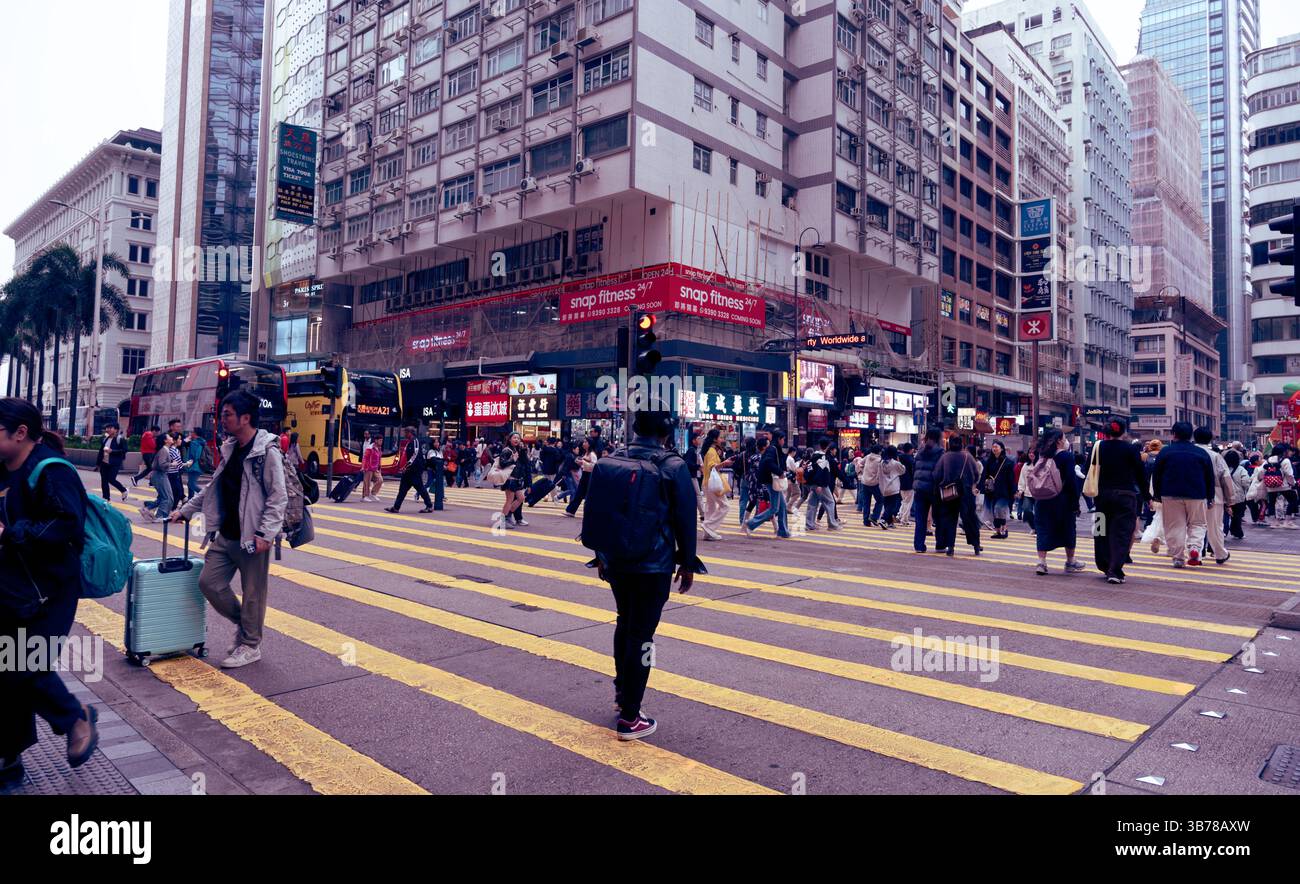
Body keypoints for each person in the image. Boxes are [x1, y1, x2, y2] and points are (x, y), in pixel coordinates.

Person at [587, 406, 704, 740]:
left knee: (625, 623)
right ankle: (630, 717)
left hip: (616, 561)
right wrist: (688, 562)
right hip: (654, 565)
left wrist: (600, 554)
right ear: (666, 432)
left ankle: (623, 694)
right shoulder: (672, 465)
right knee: (642, 635)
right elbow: (686, 519)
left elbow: (599, 510)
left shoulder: (613, 459)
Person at [0, 398, 101, 784]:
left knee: (24, 665)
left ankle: (75, 718)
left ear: (20, 433)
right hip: (10, 588)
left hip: (49, 590)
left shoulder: (51, 471)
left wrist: (11, 534)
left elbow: (65, 526)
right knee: (7, 672)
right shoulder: (3, 468)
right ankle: (8, 758)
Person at [172, 388, 288, 669]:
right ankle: (245, 624)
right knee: (208, 582)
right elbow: (214, 488)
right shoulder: (230, 448)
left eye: (227, 415)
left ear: (245, 418)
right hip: (226, 535)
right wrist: (186, 510)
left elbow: (278, 496)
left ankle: (250, 645)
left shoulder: (266, 452)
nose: (222, 420)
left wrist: (266, 533)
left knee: (253, 594)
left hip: (252, 537)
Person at [1151, 421, 1215, 568]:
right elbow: (1209, 477)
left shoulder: (1165, 452)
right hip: (1197, 494)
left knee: (1175, 526)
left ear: (1174, 434)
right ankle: (1194, 549)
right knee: (1198, 523)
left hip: (1170, 493)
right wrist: (1210, 496)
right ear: (1191, 435)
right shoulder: (1201, 453)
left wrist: (1157, 495)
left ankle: (1178, 557)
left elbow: (1157, 475)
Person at [1090, 418, 1145, 584]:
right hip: (1125, 497)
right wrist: (1148, 497)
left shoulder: (1098, 447)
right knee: (1121, 532)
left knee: (1100, 530)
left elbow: (1088, 469)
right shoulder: (1131, 449)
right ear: (1124, 432)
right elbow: (1140, 475)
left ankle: (1104, 565)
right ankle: (1114, 570)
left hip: (1101, 497)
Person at [1030, 428, 1085, 576]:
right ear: (1059, 441)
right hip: (1062, 500)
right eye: (1064, 437)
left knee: (1043, 529)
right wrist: (1075, 503)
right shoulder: (1067, 457)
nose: (1066, 440)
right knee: (1068, 529)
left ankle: (1041, 562)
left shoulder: (1040, 455)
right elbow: (1072, 481)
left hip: (1042, 499)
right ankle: (1070, 561)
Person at [1189, 427, 1234, 565]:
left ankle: (1195, 551)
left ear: (1194, 437)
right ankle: (1220, 554)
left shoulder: (1189, 453)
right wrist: (1230, 499)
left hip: (1192, 494)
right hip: (1215, 496)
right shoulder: (1216, 456)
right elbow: (1225, 477)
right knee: (1215, 527)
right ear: (1210, 439)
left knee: (1194, 525)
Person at [933, 437, 980, 556]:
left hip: (949, 493)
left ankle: (950, 546)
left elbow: (936, 475)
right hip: (966, 493)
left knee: (949, 520)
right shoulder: (968, 457)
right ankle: (976, 545)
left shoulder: (945, 457)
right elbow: (976, 474)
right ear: (961, 444)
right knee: (969, 519)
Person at [742, 428, 791, 539]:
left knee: (782, 506)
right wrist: (779, 472)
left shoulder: (774, 449)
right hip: (771, 481)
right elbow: (768, 463)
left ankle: (783, 531)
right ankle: (751, 523)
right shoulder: (772, 449)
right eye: (783, 439)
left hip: (772, 480)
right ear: (779, 439)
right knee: (774, 508)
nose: (784, 441)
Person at [386, 426, 434, 514]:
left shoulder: (415, 441)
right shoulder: (409, 442)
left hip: (414, 470)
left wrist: (406, 466)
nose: (404, 434)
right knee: (402, 489)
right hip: (409, 470)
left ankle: (429, 506)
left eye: (405, 432)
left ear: (410, 433)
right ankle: (396, 507)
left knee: (420, 488)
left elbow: (414, 455)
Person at [910, 429, 943, 552]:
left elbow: (915, 469)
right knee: (938, 518)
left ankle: (919, 546)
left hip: (919, 489)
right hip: (934, 490)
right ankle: (940, 545)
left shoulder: (920, 452)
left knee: (920, 518)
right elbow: (941, 472)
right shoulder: (940, 452)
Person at [700, 429, 734, 540]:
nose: (722, 440)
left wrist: (724, 462)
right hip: (712, 484)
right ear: (715, 439)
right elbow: (712, 467)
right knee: (725, 506)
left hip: (707, 483)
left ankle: (708, 534)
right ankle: (708, 526)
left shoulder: (710, 451)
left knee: (710, 507)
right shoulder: (711, 451)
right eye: (720, 437)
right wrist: (725, 463)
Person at [803, 437, 842, 532]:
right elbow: (821, 471)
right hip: (820, 484)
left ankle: (809, 525)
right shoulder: (823, 457)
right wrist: (820, 484)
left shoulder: (814, 456)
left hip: (811, 484)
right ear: (828, 446)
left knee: (812, 504)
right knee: (830, 502)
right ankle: (832, 525)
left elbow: (810, 469)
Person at [495, 432, 531, 528]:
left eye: (518, 438)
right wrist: (513, 459)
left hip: (517, 480)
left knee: (521, 498)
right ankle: (502, 521)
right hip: (510, 480)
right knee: (509, 500)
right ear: (509, 439)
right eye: (514, 438)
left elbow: (525, 463)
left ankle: (507, 516)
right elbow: (502, 464)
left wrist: (523, 451)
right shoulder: (506, 450)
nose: (516, 440)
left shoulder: (517, 449)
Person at [982, 441, 1016, 539]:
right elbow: (985, 475)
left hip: (1003, 491)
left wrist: (1013, 491)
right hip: (991, 491)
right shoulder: (989, 461)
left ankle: (1004, 528)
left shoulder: (1008, 462)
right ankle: (997, 532)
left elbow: (1011, 478)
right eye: (993, 447)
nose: (994, 449)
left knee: (999, 508)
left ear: (1002, 448)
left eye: (996, 447)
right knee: (994, 511)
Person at [138, 431, 174, 522]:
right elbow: (162, 464)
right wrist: (172, 464)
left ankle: (148, 509)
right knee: (167, 497)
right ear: (165, 440)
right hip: (159, 475)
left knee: (164, 497)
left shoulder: (165, 449)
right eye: (169, 436)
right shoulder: (163, 450)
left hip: (160, 475)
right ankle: (159, 516)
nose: (171, 438)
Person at [95, 424, 129, 502]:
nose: (107, 429)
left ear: (116, 430)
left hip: (114, 463)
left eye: (110, 428)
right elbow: (101, 452)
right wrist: (98, 463)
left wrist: (112, 451)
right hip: (104, 462)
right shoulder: (105, 439)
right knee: (104, 481)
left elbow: (125, 450)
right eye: (107, 428)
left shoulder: (120, 439)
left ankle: (124, 490)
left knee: (111, 479)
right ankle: (106, 498)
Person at [877, 445, 906, 529]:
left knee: (887, 504)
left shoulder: (881, 463)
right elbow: (903, 470)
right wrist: (899, 461)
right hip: (893, 487)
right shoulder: (895, 463)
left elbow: (878, 475)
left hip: (884, 487)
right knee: (891, 506)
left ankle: (889, 522)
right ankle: (883, 518)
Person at [1224, 449, 1250, 541]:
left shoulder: (1223, 468)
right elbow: (1246, 482)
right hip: (1238, 497)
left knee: (1224, 516)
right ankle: (1237, 532)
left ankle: (1223, 532)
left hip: (1225, 496)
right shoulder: (1241, 469)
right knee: (1237, 516)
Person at [860, 444, 883, 526]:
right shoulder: (879, 460)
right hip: (874, 483)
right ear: (879, 451)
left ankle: (866, 521)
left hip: (865, 482)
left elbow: (860, 463)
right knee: (880, 500)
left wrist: (863, 471)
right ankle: (874, 517)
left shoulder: (868, 456)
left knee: (866, 502)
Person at [183, 428, 206, 501]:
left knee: (191, 484)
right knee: (190, 484)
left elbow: (193, 456)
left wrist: (188, 464)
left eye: (192, 432)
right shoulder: (202, 442)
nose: (190, 433)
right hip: (199, 465)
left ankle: (205, 496)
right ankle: (190, 499)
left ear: (195, 434)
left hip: (194, 466)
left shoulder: (194, 443)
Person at [360, 430, 383, 502]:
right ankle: (365, 497)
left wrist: (379, 467)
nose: (381, 442)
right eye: (380, 440)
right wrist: (363, 467)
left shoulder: (379, 448)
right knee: (367, 482)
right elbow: (365, 458)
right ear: (376, 441)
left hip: (375, 468)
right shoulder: (370, 448)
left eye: (381, 440)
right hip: (368, 468)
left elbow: (379, 458)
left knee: (380, 480)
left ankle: (373, 493)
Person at [897, 443, 916, 527]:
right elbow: (913, 472)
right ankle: (904, 520)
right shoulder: (911, 460)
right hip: (909, 483)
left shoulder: (899, 458)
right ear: (910, 450)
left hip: (900, 482)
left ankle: (900, 515)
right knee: (908, 502)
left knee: (904, 501)